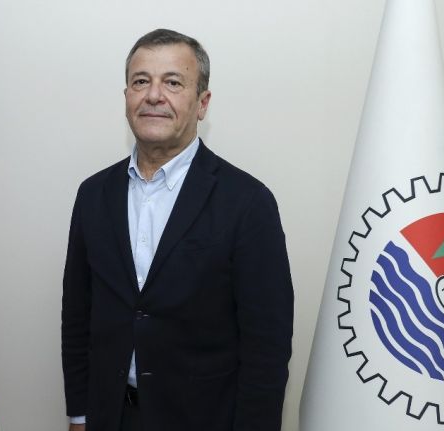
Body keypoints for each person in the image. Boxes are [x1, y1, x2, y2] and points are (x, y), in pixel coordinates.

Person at [61, 28, 293, 431]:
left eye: (172, 82)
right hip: (110, 417)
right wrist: (79, 416)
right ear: (127, 97)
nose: (153, 95)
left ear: (202, 103)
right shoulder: (93, 195)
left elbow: (266, 349)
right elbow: (77, 318)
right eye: (141, 81)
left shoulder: (248, 203)